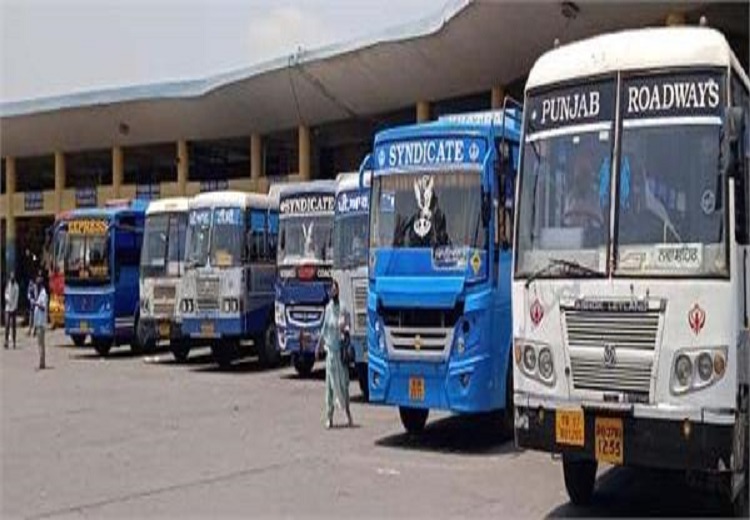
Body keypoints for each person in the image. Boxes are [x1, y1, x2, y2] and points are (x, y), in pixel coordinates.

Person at [316, 280, 353, 429]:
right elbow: (324, 328)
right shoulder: (328, 309)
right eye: (331, 290)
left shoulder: (343, 307)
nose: (333, 292)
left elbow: (348, 325)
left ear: (338, 290)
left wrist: (345, 328)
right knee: (330, 387)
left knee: (344, 385)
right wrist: (318, 346)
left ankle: (348, 414)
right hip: (331, 353)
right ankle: (329, 417)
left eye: (335, 289)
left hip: (340, 354)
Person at [33, 275, 48, 370]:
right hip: (38, 322)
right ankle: (41, 361)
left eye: (37, 283)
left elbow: (43, 308)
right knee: (40, 343)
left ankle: (42, 362)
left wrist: (36, 304)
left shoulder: (44, 294)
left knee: (41, 344)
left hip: (41, 323)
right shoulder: (39, 294)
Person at [4, 271, 19, 349]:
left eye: (13, 277)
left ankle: (14, 342)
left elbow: (16, 298)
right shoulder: (8, 284)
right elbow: (5, 293)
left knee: (13, 326)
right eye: (11, 277)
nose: (12, 279)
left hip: (14, 308)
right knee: (7, 325)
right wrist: (7, 299)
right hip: (7, 308)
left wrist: (13, 306)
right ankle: (6, 341)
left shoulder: (16, 286)